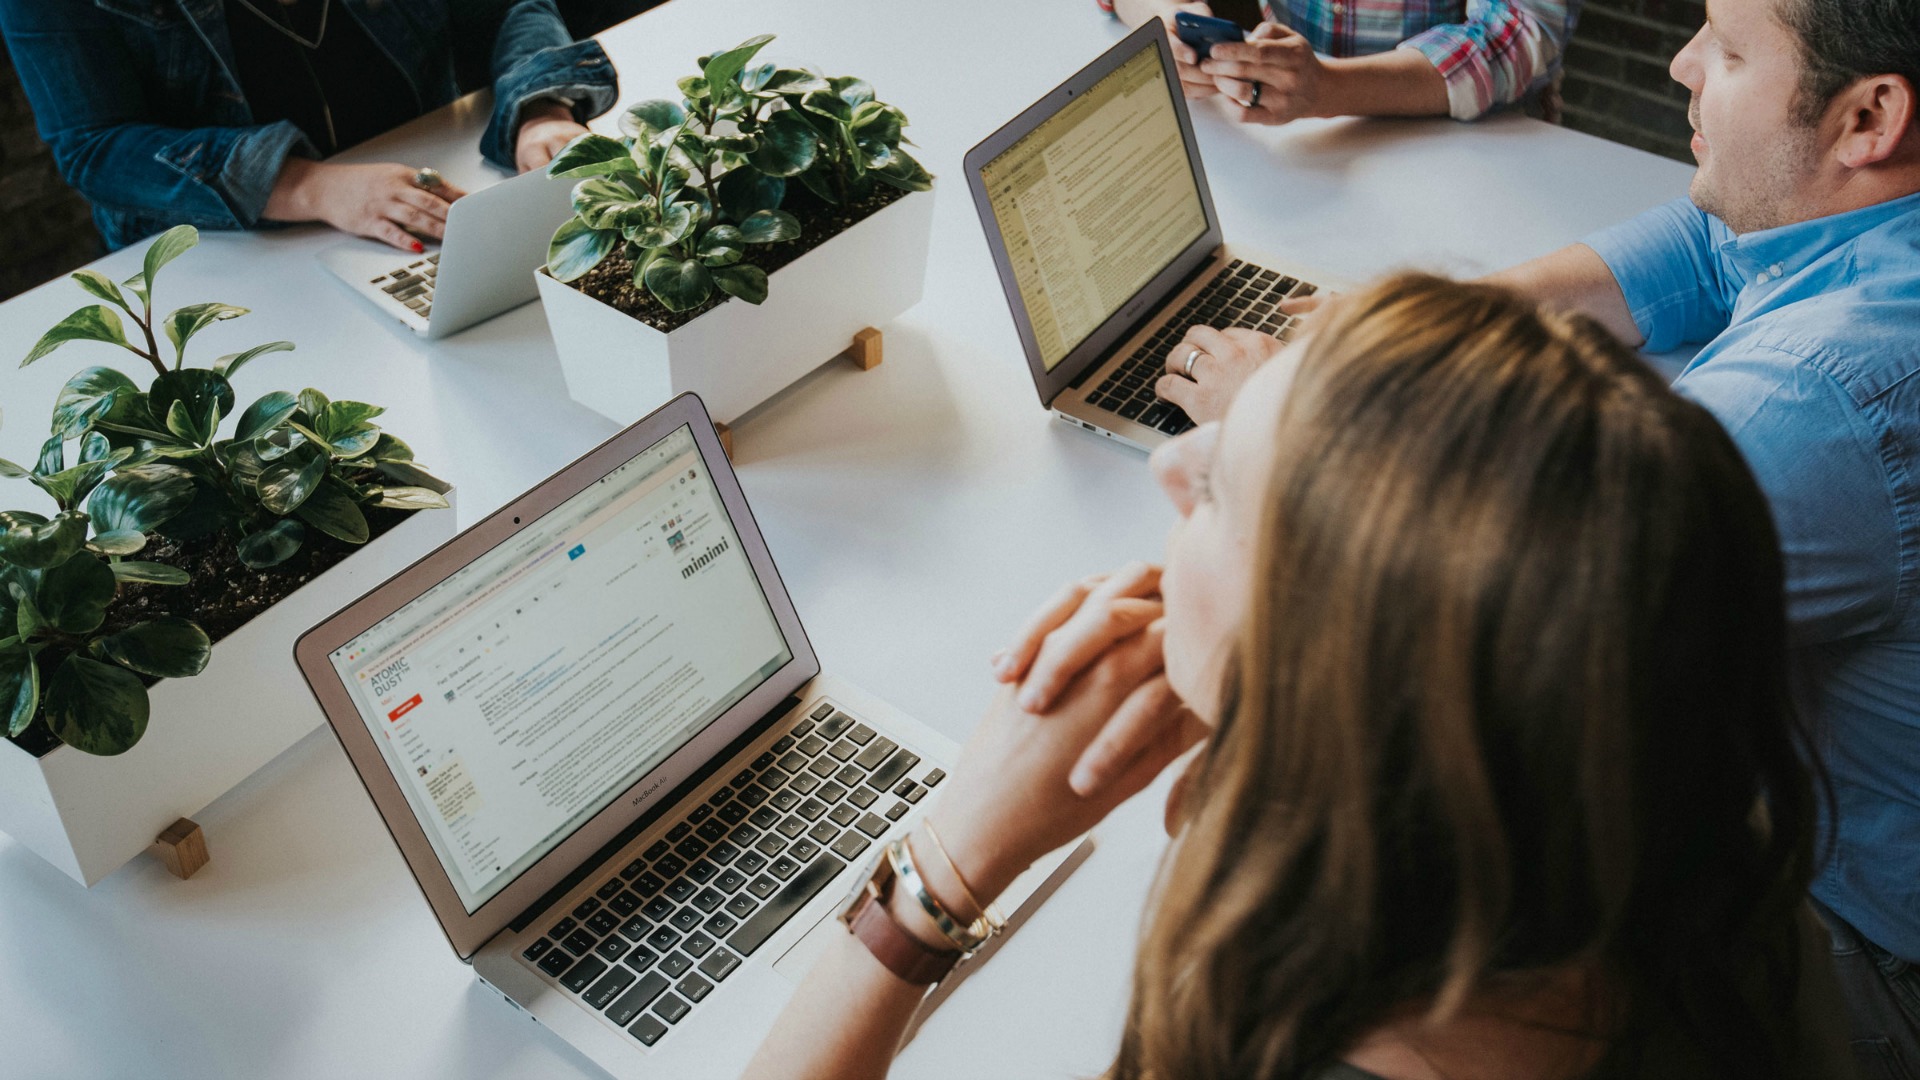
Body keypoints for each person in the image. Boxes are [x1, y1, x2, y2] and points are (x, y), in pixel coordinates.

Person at [743, 275, 1847, 1080]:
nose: (1171, 463)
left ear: (1339, 662)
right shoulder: (1684, 850)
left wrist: (948, 863)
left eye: (1222, 488)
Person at [1163, 3, 1920, 1072]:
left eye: (1733, 52)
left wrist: (1292, 416)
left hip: (1857, 937)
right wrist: (1434, 331)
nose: (1682, 64)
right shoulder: (1867, 218)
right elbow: (1725, 234)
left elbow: (1497, 623)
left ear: (1869, 119)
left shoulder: (1815, 402)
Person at [0, 0, 618, 253]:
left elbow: (507, 8)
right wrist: (309, 187)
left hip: (441, 198)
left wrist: (540, 110)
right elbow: (94, 147)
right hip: (226, 257)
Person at [1102, 0, 1578, 125]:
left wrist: (1327, 89)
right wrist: (1163, 18)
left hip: (1471, 143)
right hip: (1285, 146)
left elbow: (1521, 32)